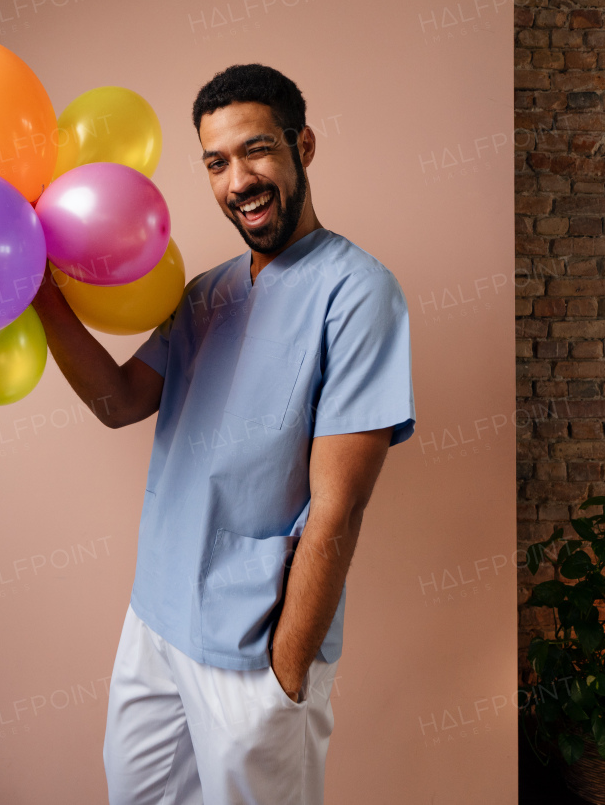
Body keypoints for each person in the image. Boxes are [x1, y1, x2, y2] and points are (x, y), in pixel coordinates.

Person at [29, 63, 416, 805]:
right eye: (216, 162)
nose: (239, 179)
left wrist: (287, 672)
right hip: (155, 620)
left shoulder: (359, 292)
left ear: (302, 145)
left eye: (257, 150)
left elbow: (339, 506)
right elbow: (117, 402)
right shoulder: (206, 293)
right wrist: (42, 294)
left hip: (253, 644)